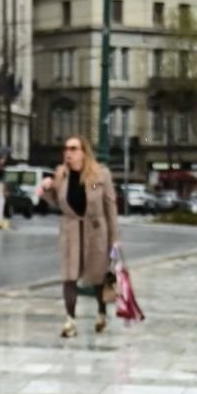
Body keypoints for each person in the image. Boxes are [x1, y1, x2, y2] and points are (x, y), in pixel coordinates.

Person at [52, 134, 120, 338]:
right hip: (71, 231)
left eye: (73, 149)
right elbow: (56, 201)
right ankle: (70, 321)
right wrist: (46, 189)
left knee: (97, 276)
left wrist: (114, 239)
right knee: (69, 277)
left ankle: (101, 313)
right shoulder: (61, 174)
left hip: (95, 231)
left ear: (84, 152)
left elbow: (110, 206)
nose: (68, 153)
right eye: (66, 149)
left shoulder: (99, 175)